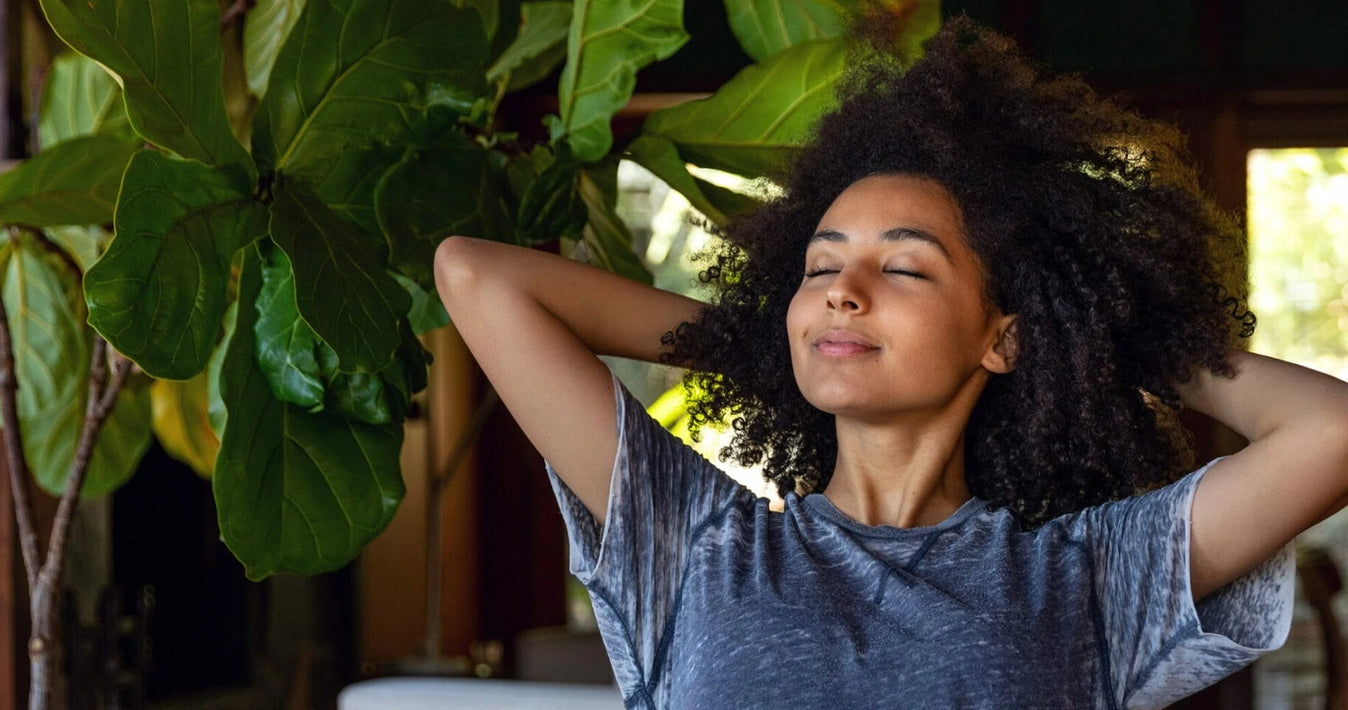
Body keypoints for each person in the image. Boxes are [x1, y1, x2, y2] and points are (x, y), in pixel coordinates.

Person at [433, 15, 1348, 709]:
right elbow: (474, 275)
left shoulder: (1089, 579)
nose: (841, 288)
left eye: (904, 266)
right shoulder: (694, 543)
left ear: (1002, 336)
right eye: (819, 267)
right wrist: (765, 343)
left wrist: (1105, 334)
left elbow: (1330, 431)